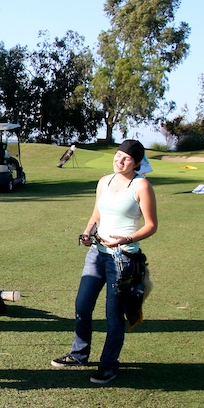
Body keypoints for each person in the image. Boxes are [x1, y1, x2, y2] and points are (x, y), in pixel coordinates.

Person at [51, 140, 158, 384]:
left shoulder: (141, 186)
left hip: (123, 258)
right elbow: (97, 214)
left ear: (137, 163)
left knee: (113, 314)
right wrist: (87, 232)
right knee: (82, 305)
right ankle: (79, 354)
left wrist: (126, 239)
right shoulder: (104, 181)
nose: (119, 161)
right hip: (97, 253)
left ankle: (109, 365)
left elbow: (151, 225)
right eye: (118, 155)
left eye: (126, 159)